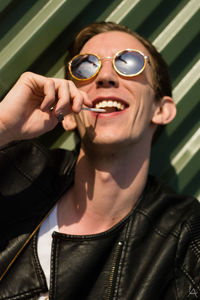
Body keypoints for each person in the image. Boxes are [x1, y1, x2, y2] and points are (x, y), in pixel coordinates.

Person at [0, 21, 199, 300]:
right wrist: (3, 126)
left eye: (128, 63)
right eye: (86, 66)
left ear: (161, 110)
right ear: (68, 114)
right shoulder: (13, 171)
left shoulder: (186, 236)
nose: (105, 76)